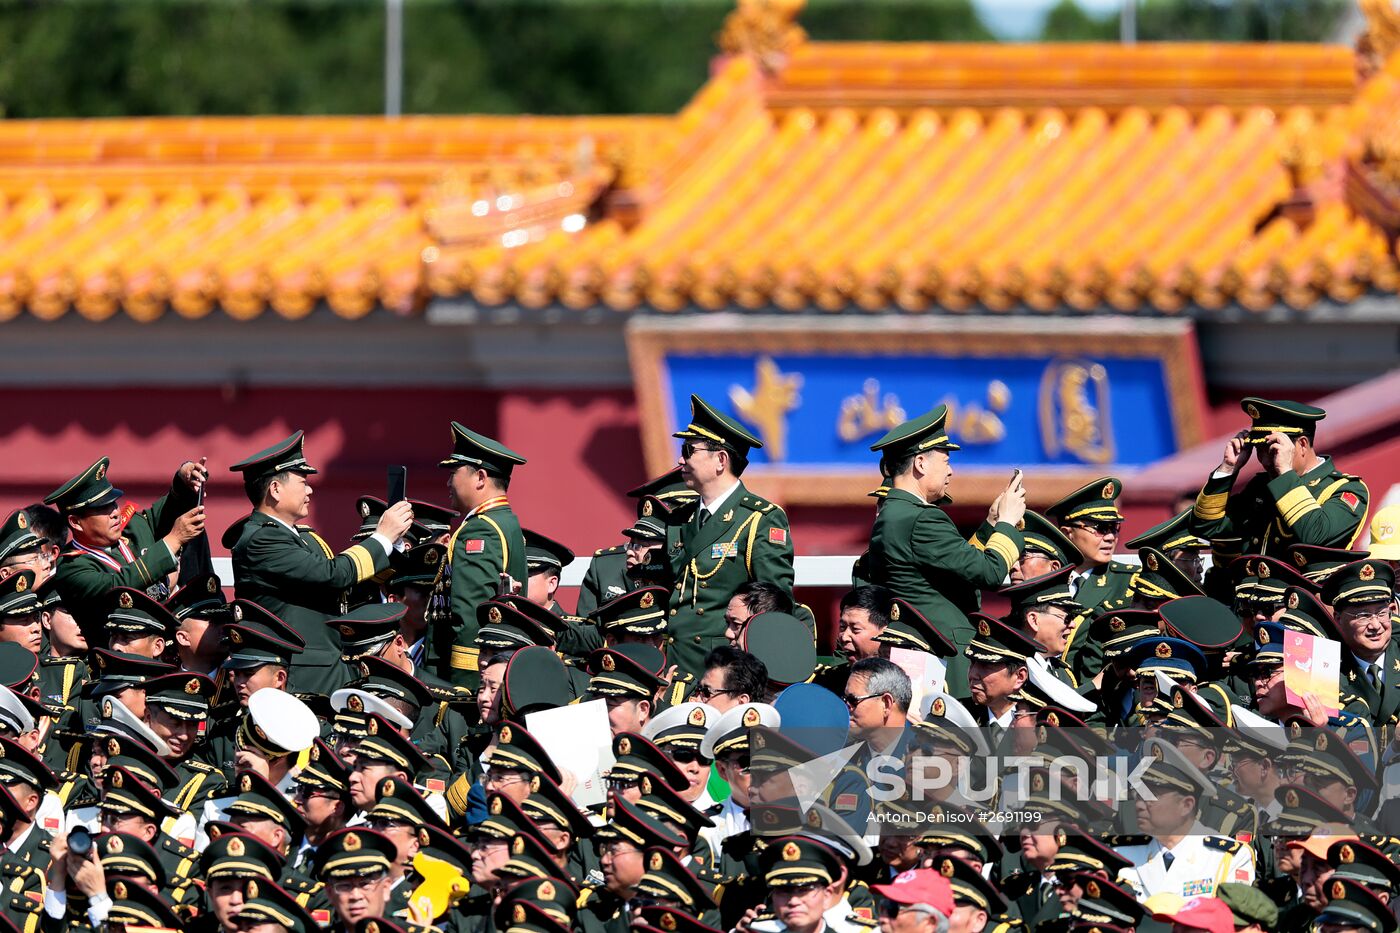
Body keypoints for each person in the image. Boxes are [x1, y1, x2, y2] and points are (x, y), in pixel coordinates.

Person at [228, 432, 412, 698]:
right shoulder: (262, 539)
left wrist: (392, 545)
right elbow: (333, 575)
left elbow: (342, 586)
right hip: (301, 674)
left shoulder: (296, 537)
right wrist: (382, 537)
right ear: (275, 489)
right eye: (303, 482)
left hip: (325, 668)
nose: (309, 490)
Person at [864, 405, 1025, 700]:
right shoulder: (922, 518)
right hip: (944, 657)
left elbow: (954, 567)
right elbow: (990, 573)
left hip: (919, 652)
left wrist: (990, 525)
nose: (950, 471)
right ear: (921, 463)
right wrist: (1007, 523)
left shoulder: (895, 514)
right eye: (945, 461)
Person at [667, 394, 795, 681]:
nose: (680, 459)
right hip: (676, 665)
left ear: (721, 460)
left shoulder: (759, 518)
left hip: (722, 669)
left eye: (689, 450)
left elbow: (775, 604)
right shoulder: (679, 518)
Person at [46, 455, 207, 641]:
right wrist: (174, 540)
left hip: (165, 643)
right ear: (76, 522)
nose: (115, 513)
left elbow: (164, 514)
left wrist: (183, 481)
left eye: (113, 503)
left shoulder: (131, 526)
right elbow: (118, 586)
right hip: (120, 652)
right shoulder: (71, 567)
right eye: (102, 509)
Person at [1188, 398, 1369, 556]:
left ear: (1302, 444)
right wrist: (1228, 467)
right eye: (1259, 450)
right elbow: (1205, 528)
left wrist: (1284, 471)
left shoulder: (1346, 489)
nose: (1265, 461)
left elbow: (1315, 536)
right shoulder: (1261, 486)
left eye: (1272, 450)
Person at [440, 421, 528, 688]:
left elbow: (470, 616)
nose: (448, 482)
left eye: (454, 472)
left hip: (469, 678)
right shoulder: (506, 522)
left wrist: (463, 688)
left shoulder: (480, 529)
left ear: (480, 477)